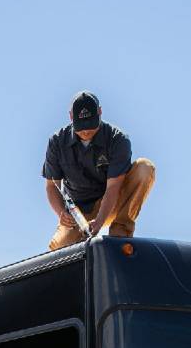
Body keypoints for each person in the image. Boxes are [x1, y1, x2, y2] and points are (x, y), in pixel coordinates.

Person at [42, 91, 157, 251]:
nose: (86, 132)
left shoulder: (118, 140)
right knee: (60, 249)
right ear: (70, 117)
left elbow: (113, 188)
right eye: (81, 127)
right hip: (78, 210)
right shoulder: (57, 142)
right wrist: (61, 212)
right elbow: (51, 186)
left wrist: (100, 220)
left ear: (100, 112)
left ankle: (121, 231)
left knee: (145, 168)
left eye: (90, 125)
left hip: (111, 201)